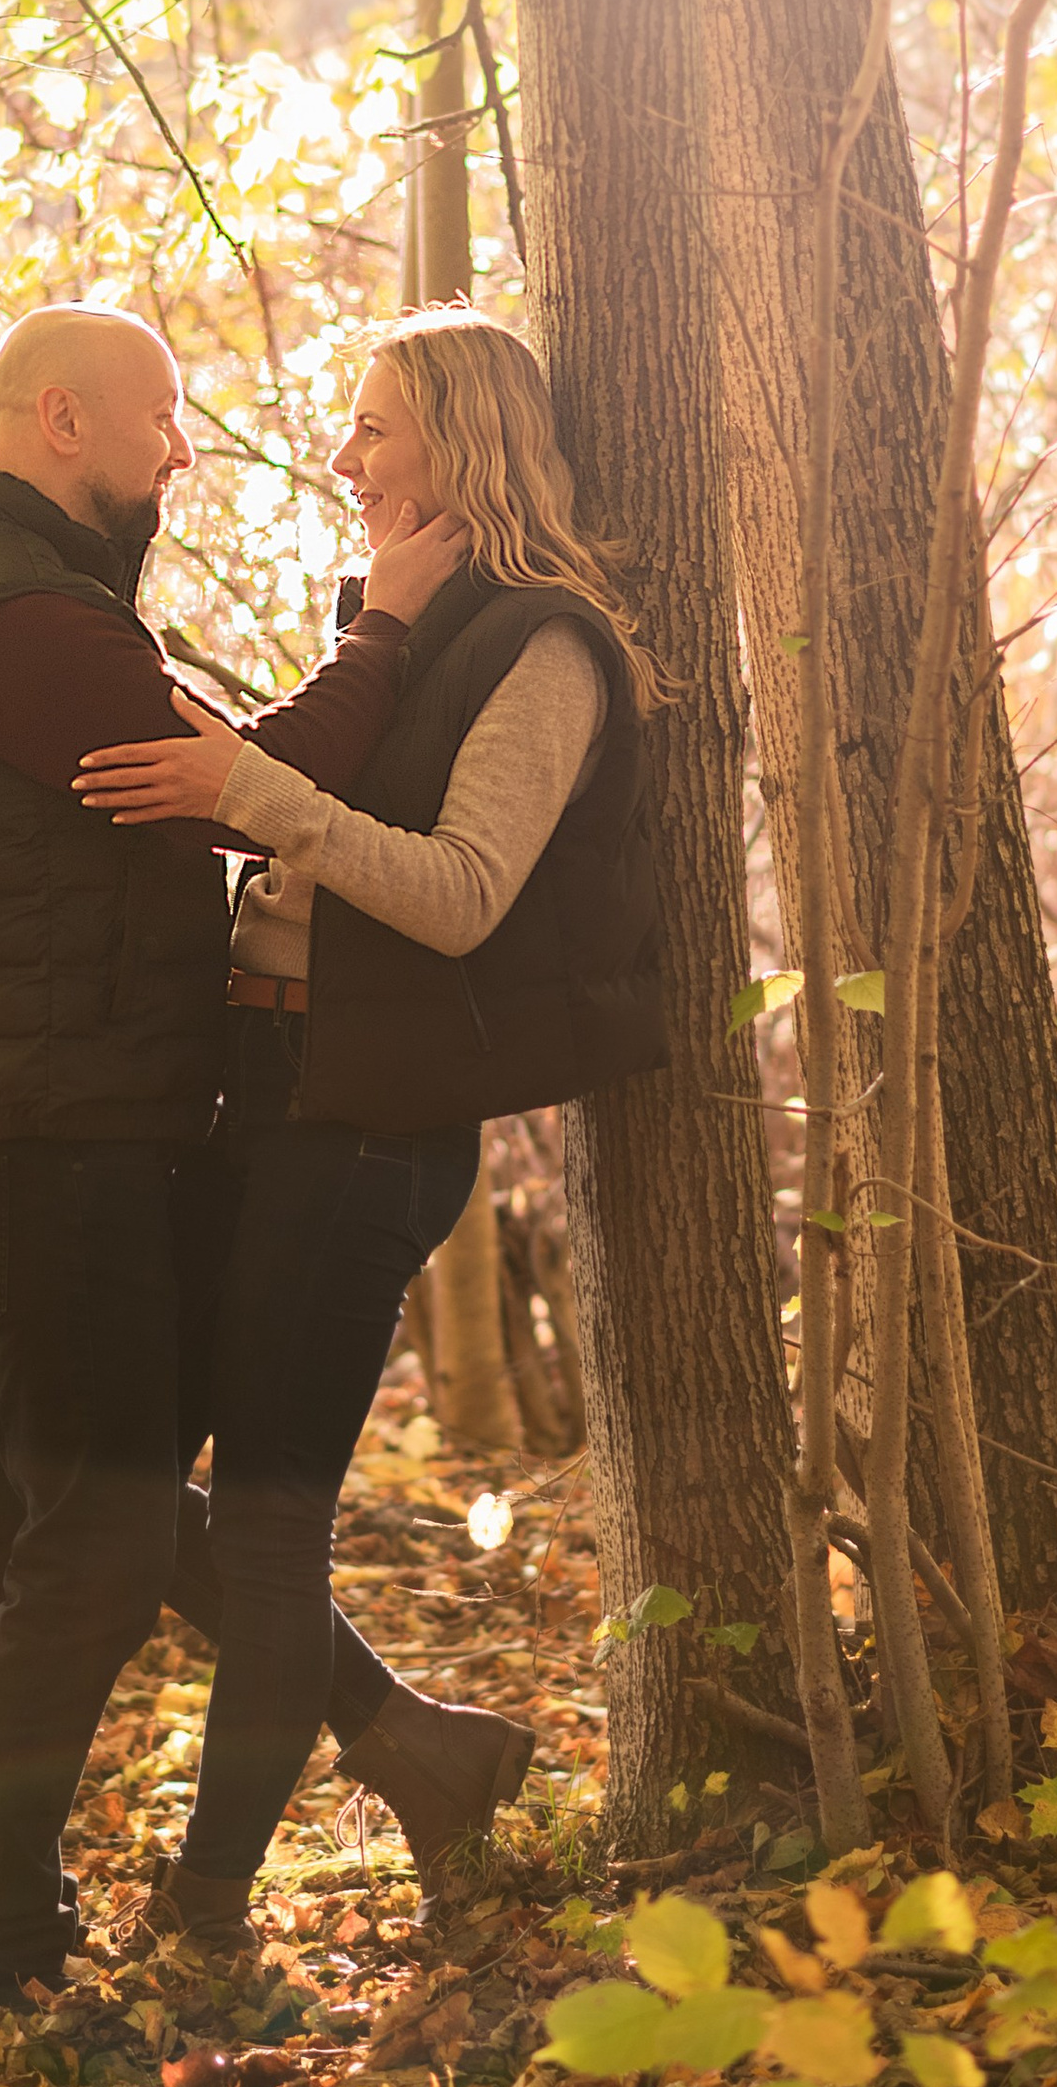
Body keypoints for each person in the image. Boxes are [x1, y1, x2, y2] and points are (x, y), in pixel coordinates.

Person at [0, 305, 515, 2021]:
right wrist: (386, 633)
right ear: (62, 419)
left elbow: (222, 766)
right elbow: (259, 788)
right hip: (41, 1138)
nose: (184, 448)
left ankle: (24, 1904)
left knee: (20, 1515)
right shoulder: (23, 622)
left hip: (26, 1122)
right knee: (102, 1522)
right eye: (161, 418)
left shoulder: (24, 597)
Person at [74, 308, 665, 1939]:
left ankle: (202, 1910)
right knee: (122, 1479)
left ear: (461, 449)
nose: (344, 459)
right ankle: (415, 1743)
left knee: (267, 1518)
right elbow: (308, 802)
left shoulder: (549, 647)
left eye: (375, 429)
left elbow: (465, 898)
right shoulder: (400, 618)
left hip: (366, 1129)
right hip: (252, 1095)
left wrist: (246, 797)